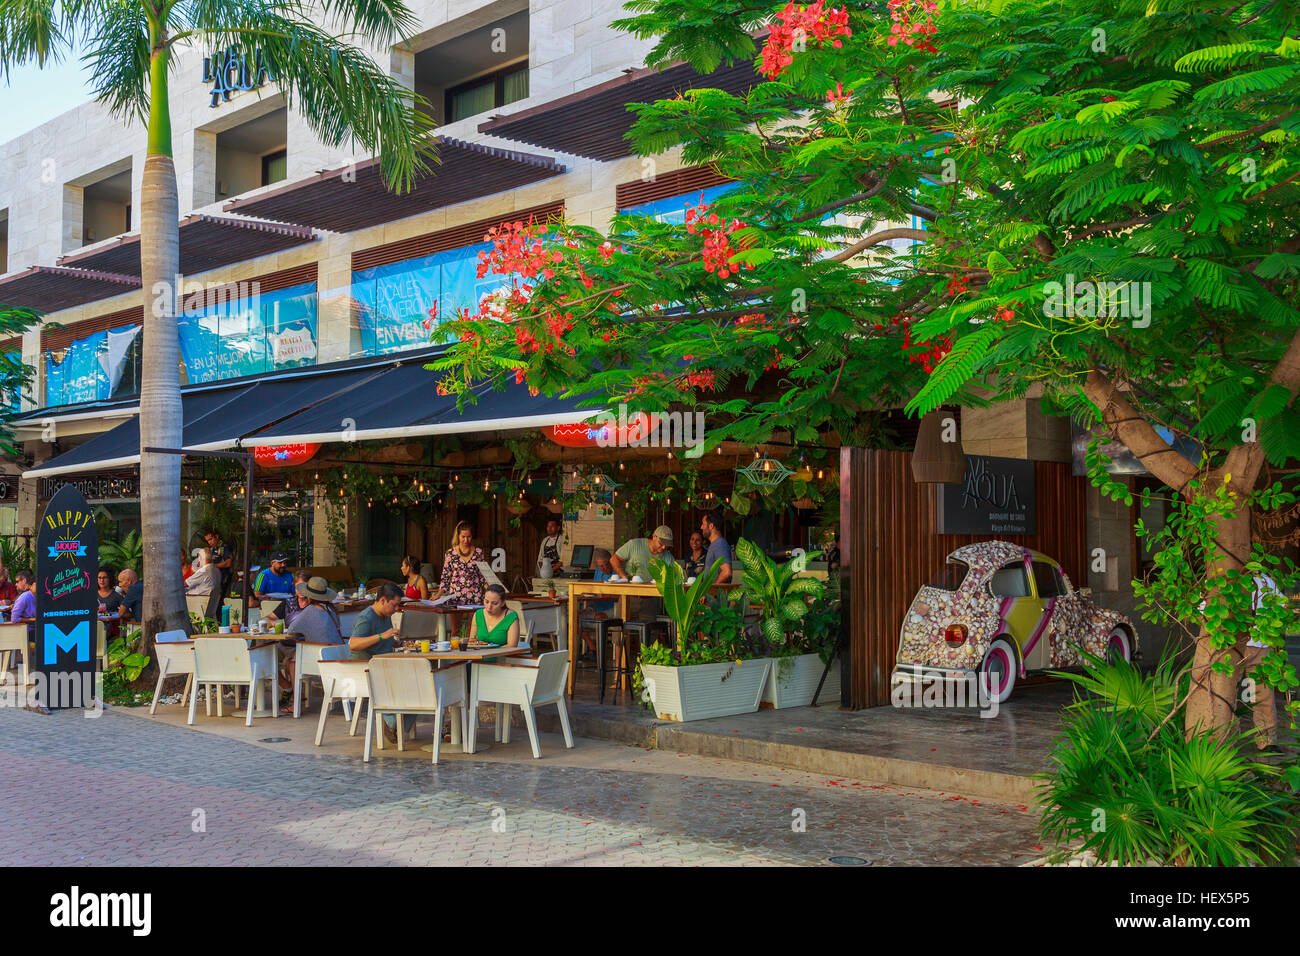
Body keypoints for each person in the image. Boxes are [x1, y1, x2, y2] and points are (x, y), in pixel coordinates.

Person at [348, 582, 407, 742]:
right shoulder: (366, 618)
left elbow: (383, 642)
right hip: (367, 669)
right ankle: (393, 723)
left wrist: (397, 643)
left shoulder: (385, 616)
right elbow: (353, 644)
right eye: (394, 605)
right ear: (382, 600)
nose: (396, 609)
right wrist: (382, 636)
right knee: (407, 683)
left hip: (384, 665)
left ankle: (396, 725)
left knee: (417, 680)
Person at [1243, 573, 1286, 749]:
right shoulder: (1265, 579)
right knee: (1261, 694)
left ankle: (1266, 741)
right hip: (1250, 645)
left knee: (1261, 694)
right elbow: (1282, 605)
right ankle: (1265, 741)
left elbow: (1281, 604)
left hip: (1248, 645)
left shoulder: (1264, 578)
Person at [432, 521, 487, 605]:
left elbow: (483, 576)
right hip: (455, 596)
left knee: (473, 618)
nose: (466, 540)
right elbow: (445, 576)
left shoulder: (478, 552)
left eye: (469, 536)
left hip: (475, 596)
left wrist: (491, 591)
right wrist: (439, 594)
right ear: (458, 536)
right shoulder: (450, 553)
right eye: (463, 537)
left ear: (472, 536)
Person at [468, 584, 521, 662]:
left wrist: (488, 651)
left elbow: (512, 646)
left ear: (503, 603)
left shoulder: (510, 617)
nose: (489, 607)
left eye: (495, 603)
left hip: (501, 662)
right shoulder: (478, 614)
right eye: (486, 602)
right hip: (478, 661)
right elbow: (472, 640)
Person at [580, 549, 617, 655]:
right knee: (574, 617)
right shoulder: (597, 571)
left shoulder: (617, 572)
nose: (604, 568)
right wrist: (588, 592)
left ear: (611, 561)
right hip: (596, 606)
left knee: (598, 618)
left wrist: (606, 595)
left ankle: (600, 652)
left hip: (612, 608)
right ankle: (592, 647)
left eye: (606, 565)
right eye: (601, 566)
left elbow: (621, 595)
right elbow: (594, 589)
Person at [701, 510, 733, 584]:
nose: (701, 527)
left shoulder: (720, 544)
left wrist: (711, 590)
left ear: (711, 526)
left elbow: (727, 572)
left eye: (703, 524)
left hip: (714, 595)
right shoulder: (715, 544)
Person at [203, 528, 234, 597]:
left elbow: (228, 563)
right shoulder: (212, 548)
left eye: (210, 539)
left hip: (223, 579)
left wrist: (212, 566)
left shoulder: (224, 547)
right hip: (214, 580)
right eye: (207, 540)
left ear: (216, 537)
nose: (209, 542)